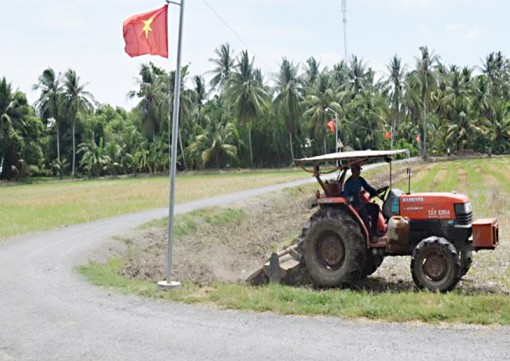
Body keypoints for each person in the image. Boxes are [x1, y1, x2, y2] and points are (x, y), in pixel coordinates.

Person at [343, 164, 380, 242]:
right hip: (354, 207)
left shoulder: (360, 180)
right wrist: (354, 205)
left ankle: (374, 231)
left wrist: (375, 192)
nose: (359, 172)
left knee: (375, 208)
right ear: (353, 171)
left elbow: (367, 187)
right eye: (357, 170)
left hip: (361, 204)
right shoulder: (348, 183)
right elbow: (347, 198)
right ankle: (370, 236)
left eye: (359, 170)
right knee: (364, 214)